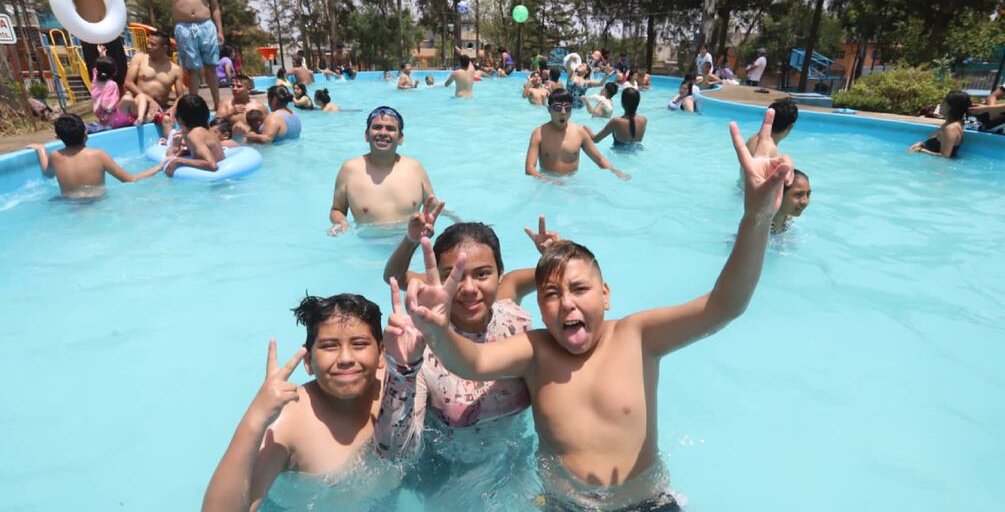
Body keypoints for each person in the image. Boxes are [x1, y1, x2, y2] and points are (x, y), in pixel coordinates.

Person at [403, 107, 794, 510]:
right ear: (540, 307)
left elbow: (725, 306)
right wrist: (438, 329)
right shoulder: (535, 350)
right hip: (563, 505)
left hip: (645, 504)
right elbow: (471, 362)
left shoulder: (638, 336)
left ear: (605, 294)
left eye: (579, 288)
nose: (567, 302)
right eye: (551, 294)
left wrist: (757, 216)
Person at [376, 216, 561, 506]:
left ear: (500, 274)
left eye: (482, 274)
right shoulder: (420, 346)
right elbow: (395, 456)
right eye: (455, 275)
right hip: (450, 476)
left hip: (518, 461)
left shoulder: (518, 323)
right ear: (437, 279)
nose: (469, 287)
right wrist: (402, 371)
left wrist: (557, 251)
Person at [201, 294, 395, 512]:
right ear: (308, 362)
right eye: (329, 346)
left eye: (359, 344)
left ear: (381, 353)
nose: (346, 359)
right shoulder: (287, 424)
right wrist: (256, 417)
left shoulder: (398, 386)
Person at [328, 107, 437, 235]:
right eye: (377, 127)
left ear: (400, 138)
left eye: (390, 128)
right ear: (366, 135)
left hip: (410, 242)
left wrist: (455, 220)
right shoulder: (349, 169)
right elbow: (337, 210)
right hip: (368, 244)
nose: (383, 132)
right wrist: (340, 222)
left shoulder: (414, 167)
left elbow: (434, 207)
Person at [155, 0, 224, 108]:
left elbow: (215, 7)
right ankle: (195, 106)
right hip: (184, 26)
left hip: (206, 25)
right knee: (192, 70)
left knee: (211, 67)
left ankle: (217, 104)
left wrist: (219, 30)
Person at [26, 114, 164, 198]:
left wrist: (41, 150)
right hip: (97, 203)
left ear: (58, 137)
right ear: (85, 133)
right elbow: (129, 179)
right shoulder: (99, 155)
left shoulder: (55, 156)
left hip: (69, 204)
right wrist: (159, 167)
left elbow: (48, 174)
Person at [525, 90, 630, 184]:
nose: (563, 112)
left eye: (567, 108)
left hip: (572, 183)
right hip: (547, 183)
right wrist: (550, 181)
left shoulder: (580, 133)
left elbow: (599, 160)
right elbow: (529, 169)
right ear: (549, 109)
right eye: (557, 108)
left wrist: (615, 171)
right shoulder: (539, 134)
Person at [69, 0, 128, 90]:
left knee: (120, 72)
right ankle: (103, 103)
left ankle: (122, 103)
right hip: (90, 32)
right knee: (98, 75)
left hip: (110, 29)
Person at [122, 29, 185, 124]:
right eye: (148, 43)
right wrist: (150, 100)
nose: (148, 46)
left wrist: (173, 108)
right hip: (138, 106)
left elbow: (180, 96)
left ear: (164, 48)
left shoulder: (176, 70)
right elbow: (128, 82)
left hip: (159, 109)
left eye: (153, 44)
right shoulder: (139, 58)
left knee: (170, 120)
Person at [166, 94, 225, 177]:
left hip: (212, 180)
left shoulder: (194, 134)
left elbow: (212, 165)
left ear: (181, 116)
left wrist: (178, 161)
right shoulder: (207, 129)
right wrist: (187, 152)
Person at [909, 90, 969, 158]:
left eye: (944, 102)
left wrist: (920, 150)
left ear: (952, 107)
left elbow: (945, 157)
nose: (940, 104)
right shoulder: (948, 124)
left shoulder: (951, 129)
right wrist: (922, 144)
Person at [91, 55, 135, 129]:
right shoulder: (112, 85)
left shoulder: (95, 83)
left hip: (103, 120)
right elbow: (107, 105)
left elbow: (96, 69)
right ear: (115, 72)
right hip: (113, 121)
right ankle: (140, 118)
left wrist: (102, 56)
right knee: (128, 98)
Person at [772, 169, 811, 235]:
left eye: (808, 194)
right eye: (798, 194)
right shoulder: (758, 225)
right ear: (779, 193)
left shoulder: (788, 220)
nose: (805, 202)